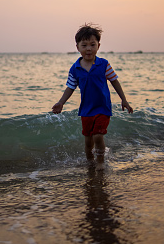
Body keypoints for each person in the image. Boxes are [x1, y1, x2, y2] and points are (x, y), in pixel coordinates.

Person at [52, 23, 133, 170]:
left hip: (102, 107)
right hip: (86, 110)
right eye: (84, 45)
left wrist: (124, 99)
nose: (88, 48)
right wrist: (61, 102)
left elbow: (114, 81)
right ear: (78, 47)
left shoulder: (103, 64)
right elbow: (70, 87)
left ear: (98, 46)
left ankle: (100, 161)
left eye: (92, 44)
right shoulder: (75, 68)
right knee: (88, 140)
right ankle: (90, 161)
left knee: (97, 135)